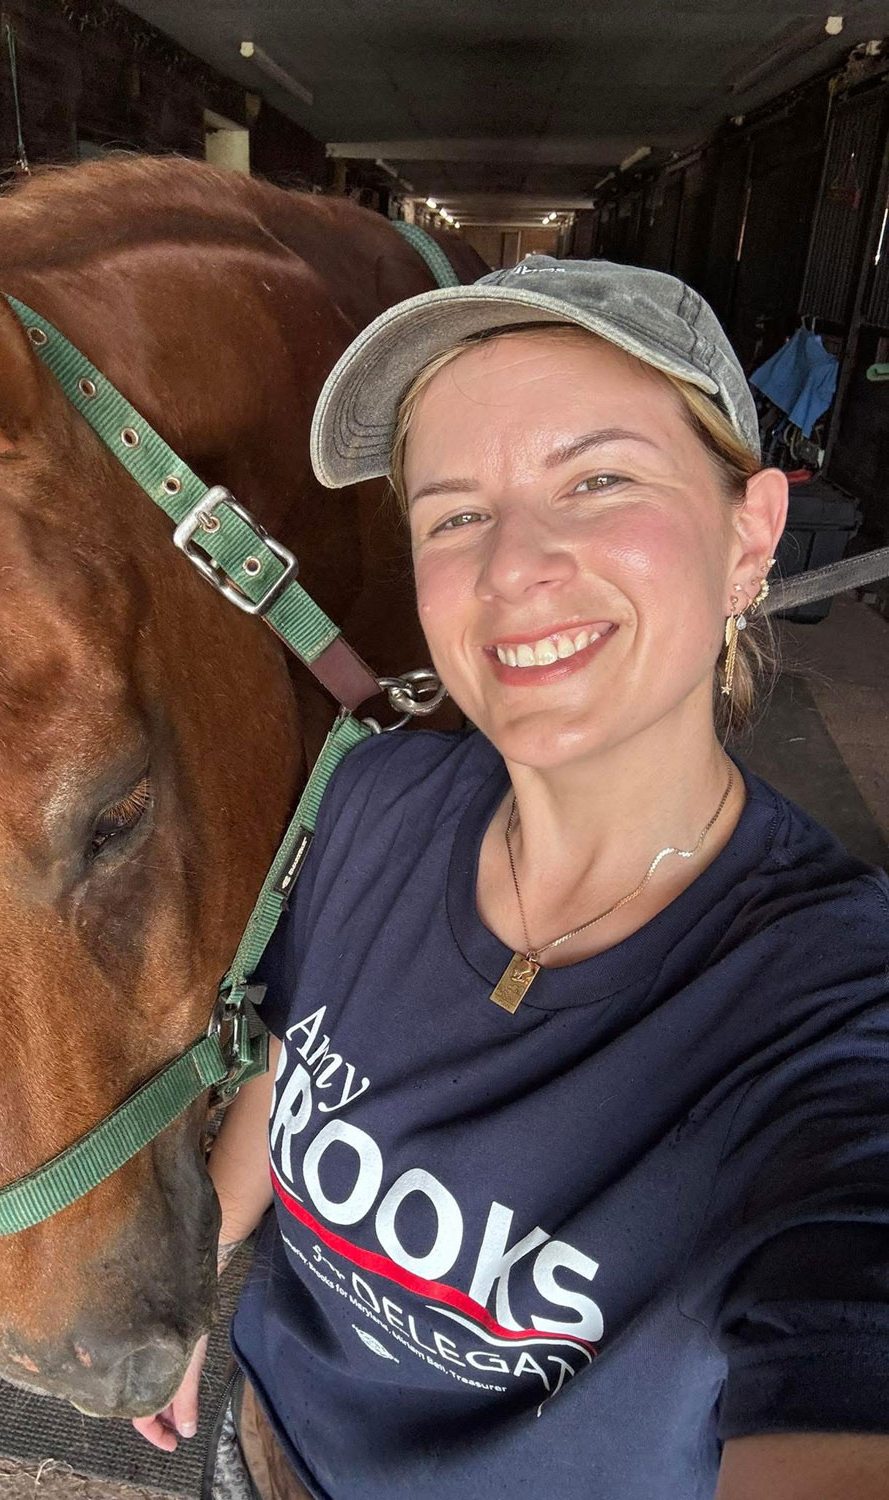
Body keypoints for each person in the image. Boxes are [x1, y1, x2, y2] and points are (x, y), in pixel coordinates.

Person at [134, 257, 889, 1499]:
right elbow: (295, 1067)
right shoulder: (372, 804)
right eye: (454, 514)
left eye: (597, 480)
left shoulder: (830, 1019)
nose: (511, 566)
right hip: (260, 1455)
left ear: (751, 534)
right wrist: (194, 1267)